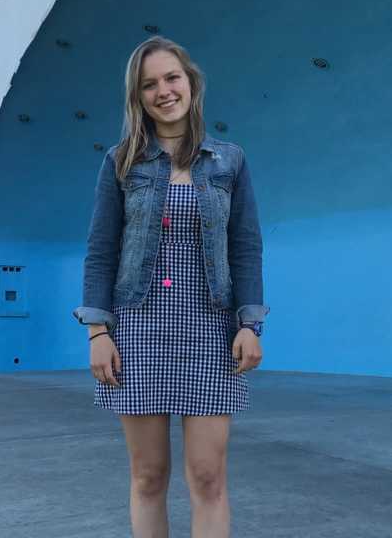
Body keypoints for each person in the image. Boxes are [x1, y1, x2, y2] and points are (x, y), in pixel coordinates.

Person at [72, 35, 270, 537]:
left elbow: (245, 247)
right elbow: (101, 250)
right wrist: (98, 332)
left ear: (191, 82)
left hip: (211, 332)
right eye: (149, 84)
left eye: (171, 77)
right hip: (137, 332)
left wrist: (251, 325)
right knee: (148, 475)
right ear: (137, 97)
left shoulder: (230, 160)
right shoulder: (121, 162)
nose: (163, 91)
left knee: (208, 477)